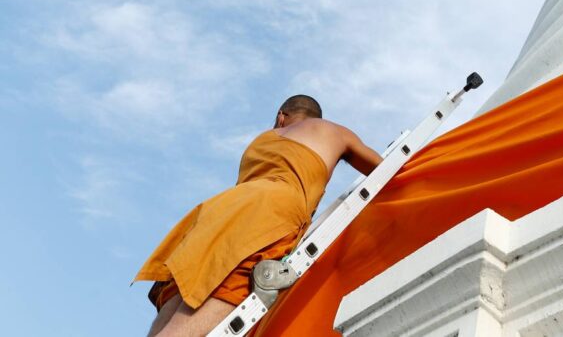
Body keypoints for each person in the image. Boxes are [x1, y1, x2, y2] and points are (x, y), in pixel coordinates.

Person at [135, 95, 383, 337]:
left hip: (219, 212)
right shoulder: (335, 132)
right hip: (272, 211)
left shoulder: (263, 139)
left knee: (180, 298)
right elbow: (384, 168)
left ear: (281, 117)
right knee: (210, 307)